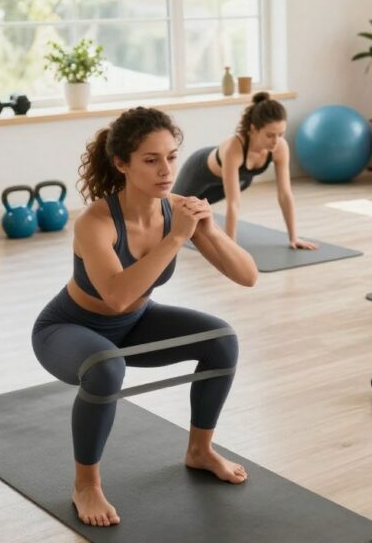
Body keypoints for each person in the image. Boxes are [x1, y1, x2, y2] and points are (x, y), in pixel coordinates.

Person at [32, 107, 258, 527]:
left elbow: (247, 276)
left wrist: (206, 229)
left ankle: (200, 450)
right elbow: (116, 297)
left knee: (221, 339)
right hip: (69, 328)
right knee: (105, 368)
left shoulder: (179, 210)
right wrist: (176, 239)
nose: (166, 170)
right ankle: (86, 485)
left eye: (172, 157)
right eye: (151, 160)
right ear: (122, 164)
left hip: (135, 325)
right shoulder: (96, 222)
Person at [172, 91, 317, 250]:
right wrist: (231, 248)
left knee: (194, 212)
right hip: (199, 172)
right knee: (170, 213)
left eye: (280, 134)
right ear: (254, 129)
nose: (276, 141)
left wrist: (293, 237)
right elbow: (233, 203)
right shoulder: (235, 147)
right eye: (270, 135)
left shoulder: (280, 147)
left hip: (238, 180)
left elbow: (285, 194)